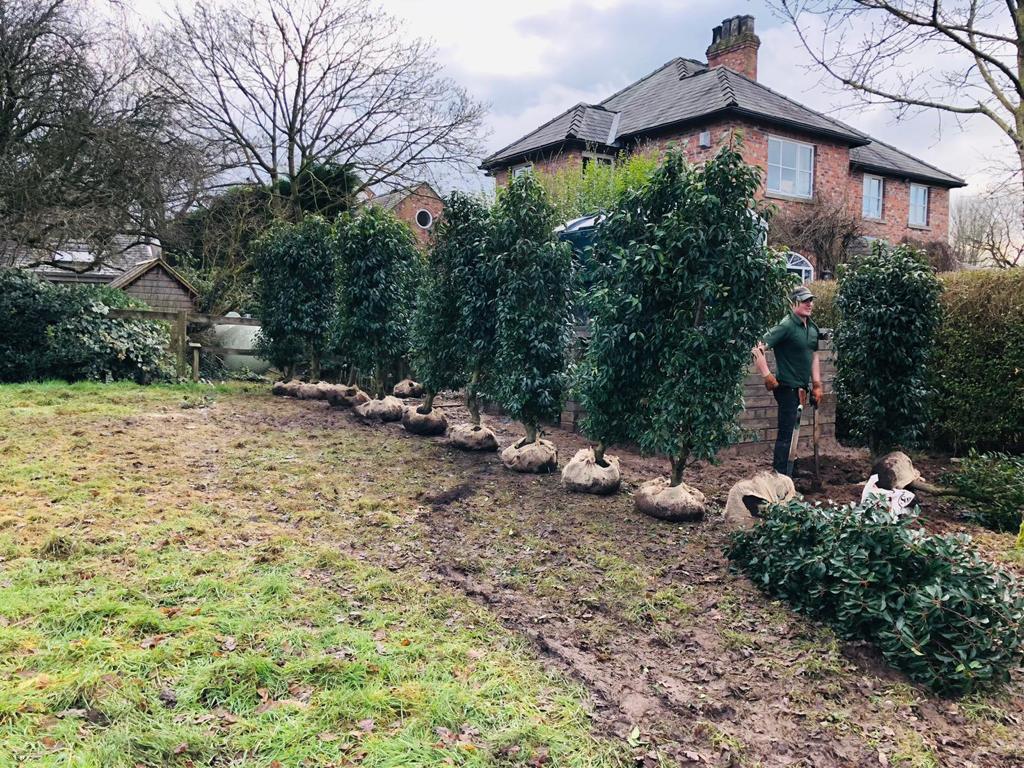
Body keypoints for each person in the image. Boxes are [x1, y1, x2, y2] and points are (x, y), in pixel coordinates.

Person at [752, 285, 823, 475]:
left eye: (811, 300)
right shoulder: (786, 326)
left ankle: (791, 468)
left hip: (802, 388)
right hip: (786, 388)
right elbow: (756, 347)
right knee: (786, 434)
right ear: (794, 303)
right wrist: (767, 375)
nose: (809, 304)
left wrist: (816, 384)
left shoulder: (812, 328)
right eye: (805, 300)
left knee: (794, 432)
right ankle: (780, 475)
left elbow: (814, 356)